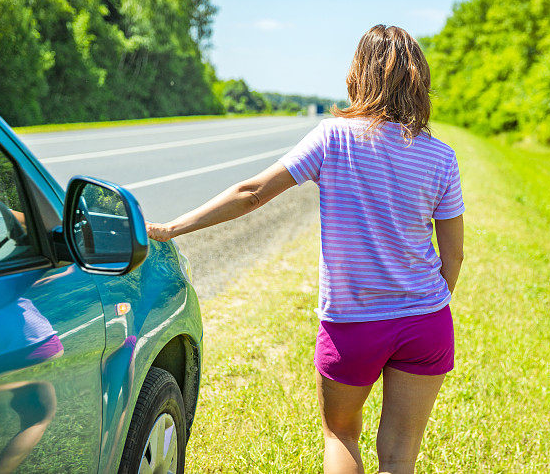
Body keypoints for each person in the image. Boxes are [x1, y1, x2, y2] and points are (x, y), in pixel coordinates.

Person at [147, 24, 465, 474]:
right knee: (400, 457)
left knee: (340, 435)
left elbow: (252, 192)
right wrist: (427, 306)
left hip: (352, 325)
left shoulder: (334, 137)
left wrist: (177, 226)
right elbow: (453, 257)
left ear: (359, 76)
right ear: (418, 81)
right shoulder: (441, 156)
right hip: (425, 324)